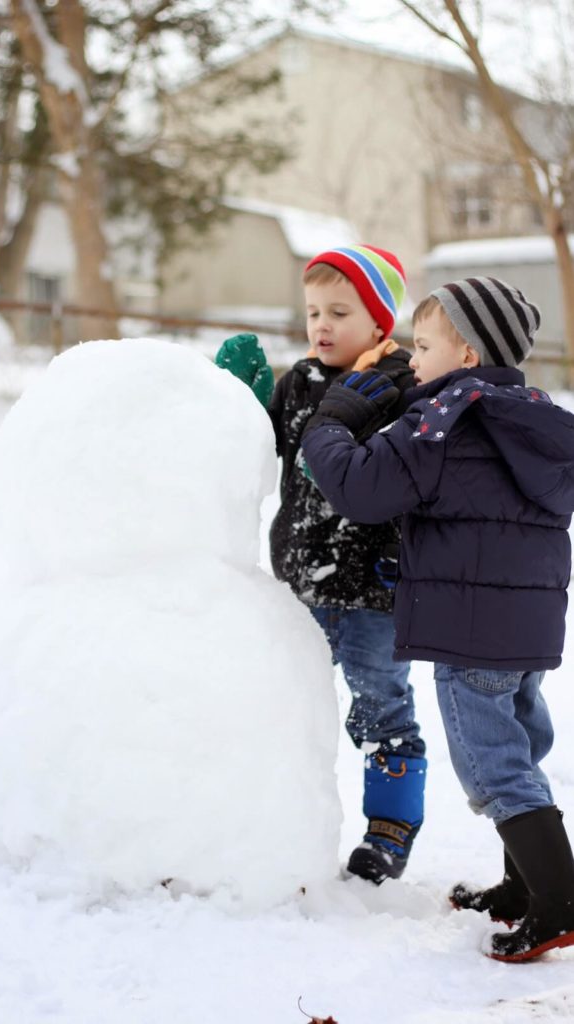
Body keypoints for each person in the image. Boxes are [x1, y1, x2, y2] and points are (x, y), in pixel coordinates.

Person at [301, 275, 574, 962]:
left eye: (423, 346)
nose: (412, 360)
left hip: (470, 629)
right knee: (519, 755)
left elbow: (362, 486)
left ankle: (559, 904)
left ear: (468, 357)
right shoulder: (533, 417)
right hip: (528, 624)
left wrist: (328, 424)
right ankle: (521, 891)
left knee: (494, 770)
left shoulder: (440, 423)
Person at [215, 245, 427, 884]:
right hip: (301, 585)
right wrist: (237, 401)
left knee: (382, 709)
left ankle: (389, 832)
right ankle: (271, 820)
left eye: (340, 311)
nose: (322, 326)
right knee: (281, 703)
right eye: (313, 312)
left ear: (380, 323)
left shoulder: (401, 389)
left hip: (375, 591)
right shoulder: (300, 383)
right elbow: (257, 449)